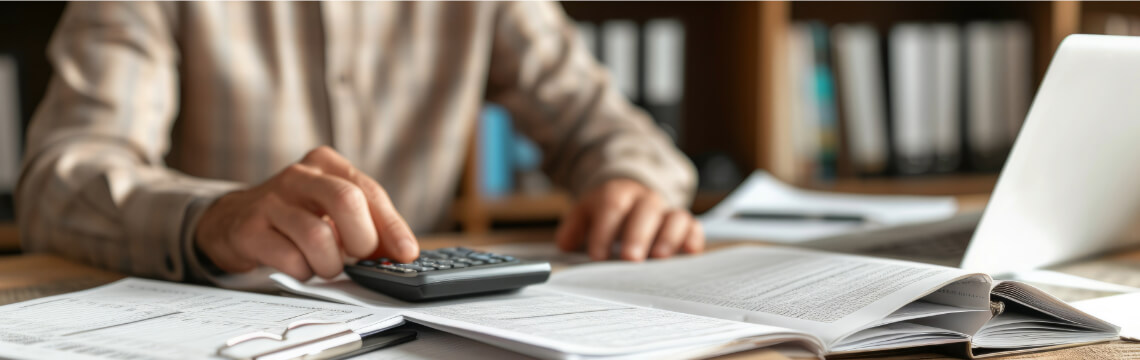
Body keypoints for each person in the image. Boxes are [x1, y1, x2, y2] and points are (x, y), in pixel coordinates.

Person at [18, 2, 703, 284]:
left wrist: (631, 183)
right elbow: (60, 179)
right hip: (226, 323)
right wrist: (214, 217)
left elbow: (609, 127)